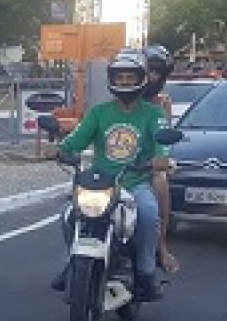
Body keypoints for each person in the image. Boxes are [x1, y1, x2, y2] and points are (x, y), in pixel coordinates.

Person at [49, 50, 169, 302]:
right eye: (120, 76)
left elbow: (163, 146)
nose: (125, 81)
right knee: (69, 214)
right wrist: (61, 150)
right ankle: (71, 263)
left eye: (130, 76)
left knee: (148, 214)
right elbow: (76, 140)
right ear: (112, 79)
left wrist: (160, 159)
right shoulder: (98, 112)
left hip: (136, 183)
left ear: (141, 79)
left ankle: (146, 273)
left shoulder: (154, 114)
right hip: (101, 183)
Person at [143, 44, 179, 274]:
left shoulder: (161, 103)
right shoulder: (118, 96)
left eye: (157, 72)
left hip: (148, 162)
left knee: (161, 181)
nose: (152, 77)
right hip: (115, 161)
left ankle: (160, 246)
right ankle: (75, 260)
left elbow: (165, 139)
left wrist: (161, 160)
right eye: (149, 70)